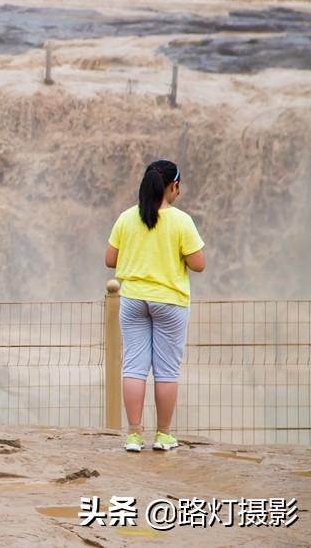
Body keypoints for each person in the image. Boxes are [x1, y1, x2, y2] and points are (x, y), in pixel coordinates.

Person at [105, 160, 205, 453]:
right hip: (170, 302)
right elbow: (198, 264)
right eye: (179, 186)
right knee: (166, 371)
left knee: (134, 367)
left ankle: (134, 435)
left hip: (134, 299)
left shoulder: (127, 218)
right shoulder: (181, 221)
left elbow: (110, 260)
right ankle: (163, 435)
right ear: (173, 186)